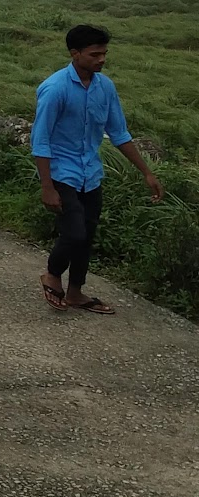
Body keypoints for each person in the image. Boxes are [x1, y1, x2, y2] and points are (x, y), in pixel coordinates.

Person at [32, 25, 163, 314]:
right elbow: (40, 141)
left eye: (104, 53)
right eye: (95, 54)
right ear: (75, 54)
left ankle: (76, 292)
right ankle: (52, 274)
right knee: (75, 233)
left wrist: (147, 172)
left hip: (90, 174)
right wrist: (47, 187)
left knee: (87, 236)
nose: (102, 59)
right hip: (61, 173)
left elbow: (119, 133)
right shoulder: (55, 89)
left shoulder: (106, 87)